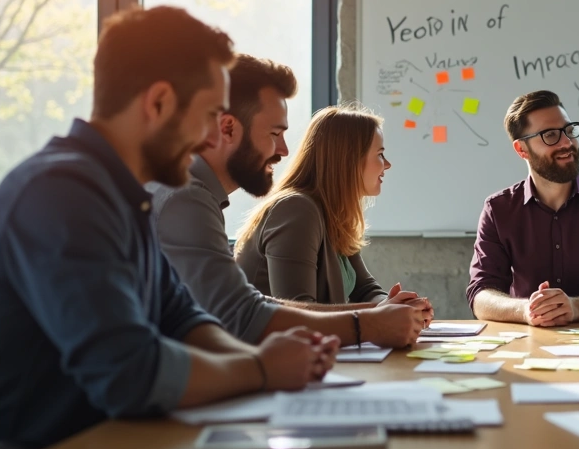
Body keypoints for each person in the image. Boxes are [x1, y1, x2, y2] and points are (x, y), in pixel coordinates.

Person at [0, 6, 335, 449]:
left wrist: (263, 360)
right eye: (209, 116)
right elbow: (129, 372)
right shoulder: (60, 193)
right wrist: (260, 368)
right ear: (158, 103)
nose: (211, 138)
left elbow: (182, 318)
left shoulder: (123, 196)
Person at [150, 55, 430, 349]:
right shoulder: (187, 201)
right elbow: (243, 316)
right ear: (228, 128)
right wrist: (373, 321)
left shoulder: (195, 198)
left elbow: (246, 305)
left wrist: (389, 312)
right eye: (274, 134)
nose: (284, 150)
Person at [234, 104, 427, 346]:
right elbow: (297, 310)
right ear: (349, 160)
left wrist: (399, 307)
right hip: (265, 356)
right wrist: (381, 315)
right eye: (379, 154)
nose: (387, 164)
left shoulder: (334, 213)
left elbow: (365, 289)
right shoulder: (297, 209)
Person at [466, 90, 579, 326]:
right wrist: (526, 310)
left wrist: (575, 308)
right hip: (526, 340)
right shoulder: (498, 209)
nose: (566, 142)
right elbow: (481, 294)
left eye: (569, 130)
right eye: (550, 135)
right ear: (521, 149)